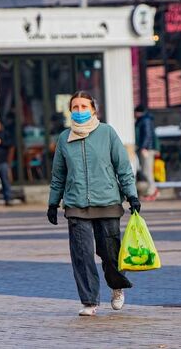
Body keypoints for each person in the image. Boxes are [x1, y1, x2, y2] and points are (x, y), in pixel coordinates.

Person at [47, 91, 139, 316]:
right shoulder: (64, 138)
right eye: (75, 107)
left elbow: (123, 167)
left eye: (83, 107)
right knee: (82, 254)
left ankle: (117, 287)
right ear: (70, 111)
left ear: (93, 110)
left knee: (110, 253)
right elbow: (58, 174)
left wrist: (132, 195)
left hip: (107, 201)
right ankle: (89, 301)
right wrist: (53, 202)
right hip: (76, 204)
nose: (79, 111)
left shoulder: (107, 133)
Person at [134, 105, 159, 201]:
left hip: (147, 149)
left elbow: (147, 135)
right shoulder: (144, 119)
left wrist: (144, 147)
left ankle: (151, 191)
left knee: (147, 171)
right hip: (146, 148)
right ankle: (151, 191)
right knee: (146, 170)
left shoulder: (145, 120)